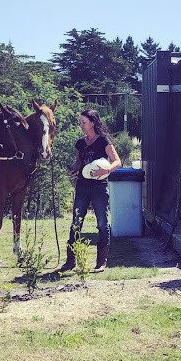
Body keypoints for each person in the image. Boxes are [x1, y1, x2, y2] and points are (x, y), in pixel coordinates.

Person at [58, 109, 122, 274]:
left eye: (83, 122)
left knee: (102, 223)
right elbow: (79, 163)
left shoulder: (103, 141)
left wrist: (105, 171)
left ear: (92, 123)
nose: (81, 125)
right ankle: (70, 262)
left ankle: (101, 262)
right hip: (82, 186)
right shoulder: (80, 143)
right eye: (80, 122)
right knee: (76, 223)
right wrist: (73, 169)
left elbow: (117, 161)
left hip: (99, 187)